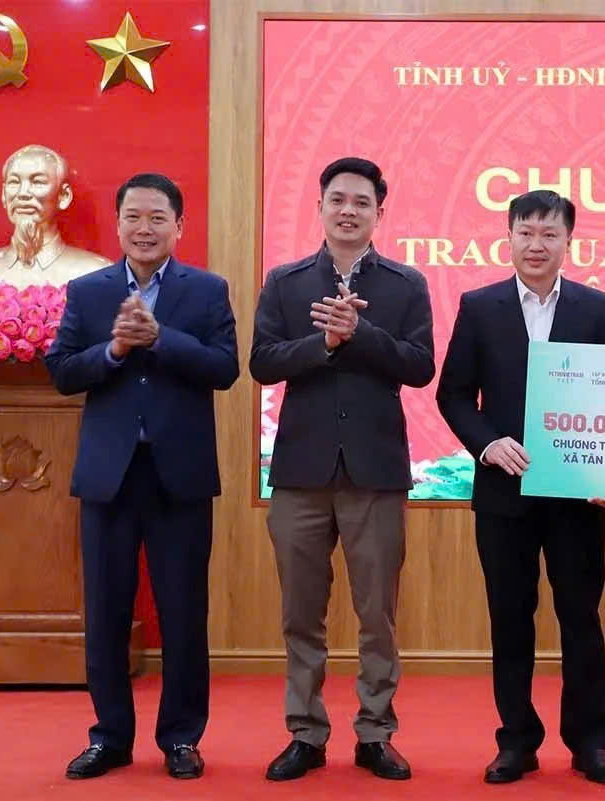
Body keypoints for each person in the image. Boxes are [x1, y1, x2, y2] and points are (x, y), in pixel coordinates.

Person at [45, 173, 239, 780]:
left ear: (179, 226)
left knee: (184, 613)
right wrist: (114, 351)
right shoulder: (88, 291)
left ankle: (181, 738)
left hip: (179, 477)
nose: (145, 228)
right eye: (134, 217)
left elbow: (225, 369)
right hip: (109, 477)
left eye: (158, 218)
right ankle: (109, 737)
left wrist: (160, 339)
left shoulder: (207, 291)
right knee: (105, 612)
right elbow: (62, 371)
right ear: (118, 224)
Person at [250, 157, 434, 782]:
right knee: (301, 613)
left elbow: (419, 366)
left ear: (380, 212)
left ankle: (375, 733)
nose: (348, 210)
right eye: (337, 200)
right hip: (300, 471)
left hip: (375, 471)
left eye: (361, 202)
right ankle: (305, 733)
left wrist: (360, 333)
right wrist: (324, 344)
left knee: (377, 614)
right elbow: (262, 362)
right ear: (321, 207)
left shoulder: (406, 284)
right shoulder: (286, 281)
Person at [436, 190, 605, 785]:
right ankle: (516, 740)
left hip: (576, 495)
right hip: (503, 494)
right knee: (510, 619)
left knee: (581, 619)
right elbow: (453, 394)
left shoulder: (595, 308)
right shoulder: (479, 306)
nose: (536, 245)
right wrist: (487, 443)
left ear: (569, 241)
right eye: (526, 232)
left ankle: (590, 743)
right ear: (509, 236)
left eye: (549, 234)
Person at [0, 144, 110, 288]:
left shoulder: (95, 274)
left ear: (63, 196)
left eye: (37, 182)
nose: (23, 193)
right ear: (4, 195)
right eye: (14, 182)